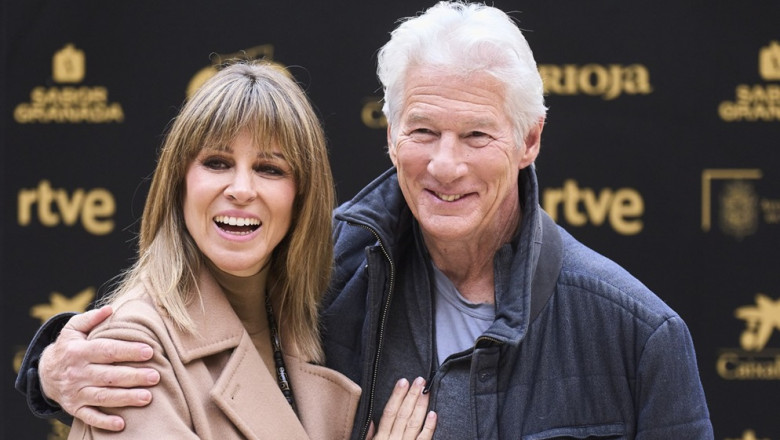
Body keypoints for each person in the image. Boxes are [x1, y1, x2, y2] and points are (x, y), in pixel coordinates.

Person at [17, 2, 713, 439]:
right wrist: (50, 367)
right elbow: (191, 316)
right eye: (422, 131)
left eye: (476, 136)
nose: (444, 165)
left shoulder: (638, 336)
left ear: (529, 141)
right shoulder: (328, 271)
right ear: (387, 135)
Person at [15, 61, 436, 439]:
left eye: (269, 169)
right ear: (178, 182)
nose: (240, 190)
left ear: (302, 197)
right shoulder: (131, 351)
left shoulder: (312, 318)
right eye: (216, 162)